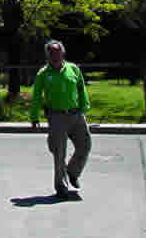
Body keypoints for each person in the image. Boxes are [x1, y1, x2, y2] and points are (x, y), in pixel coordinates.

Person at [29, 39, 91, 198]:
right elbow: (36, 96)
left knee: (85, 145)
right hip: (56, 117)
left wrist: (84, 107)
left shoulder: (73, 69)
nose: (54, 56)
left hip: (76, 114)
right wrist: (34, 117)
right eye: (51, 54)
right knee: (59, 153)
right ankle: (61, 186)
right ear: (47, 56)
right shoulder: (43, 73)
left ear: (63, 53)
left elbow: (81, 88)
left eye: (57, 53)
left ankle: (72, 172)